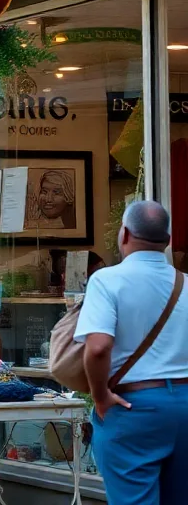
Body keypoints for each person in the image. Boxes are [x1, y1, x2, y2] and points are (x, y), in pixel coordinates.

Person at [76, 200, 186, 504]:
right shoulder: (187, 284)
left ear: (124, 234)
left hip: (132, 406)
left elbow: (98, 347)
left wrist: (99, 396)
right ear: (167, 241)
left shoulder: (106, 280)